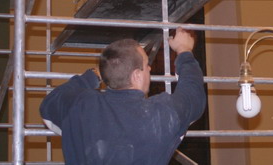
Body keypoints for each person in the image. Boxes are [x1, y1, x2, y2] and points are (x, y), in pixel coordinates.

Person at [40, 28, 206, 165]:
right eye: (146, 64)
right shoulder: (160, 115)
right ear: (136, 75)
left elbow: (48, 107)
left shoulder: (81, 104)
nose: (149, 68)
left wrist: (93, 75)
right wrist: (184, 50)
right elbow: (194, 95)